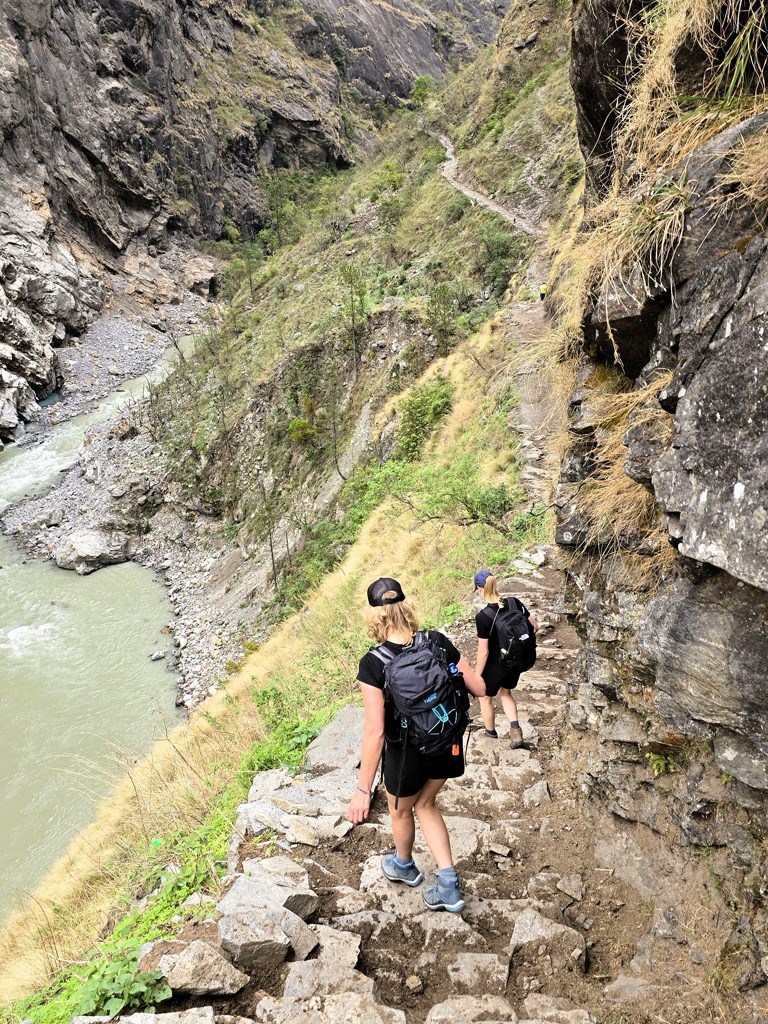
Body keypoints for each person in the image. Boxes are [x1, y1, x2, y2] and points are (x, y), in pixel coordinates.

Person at [346, 577, 486, 913]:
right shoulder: (436, 641)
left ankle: (404, 865)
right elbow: (479, 688)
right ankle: (448, 885)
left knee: (401, 810)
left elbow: (376, 731)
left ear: (374, 616)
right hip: (446, 743)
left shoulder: (373, 663)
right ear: (406, 607)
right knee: (426, 804)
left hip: (407, 753)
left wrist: (363, 790)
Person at [473, 569, 537, 749]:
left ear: (480, 589)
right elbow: (534, 625)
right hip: (516, 661)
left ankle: (490, 734)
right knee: (506, 693)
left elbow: (483, 652)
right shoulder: (514, 602)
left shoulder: (483, 617)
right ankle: (516, 732)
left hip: (497, 664)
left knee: (485, 697)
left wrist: (477, 675)